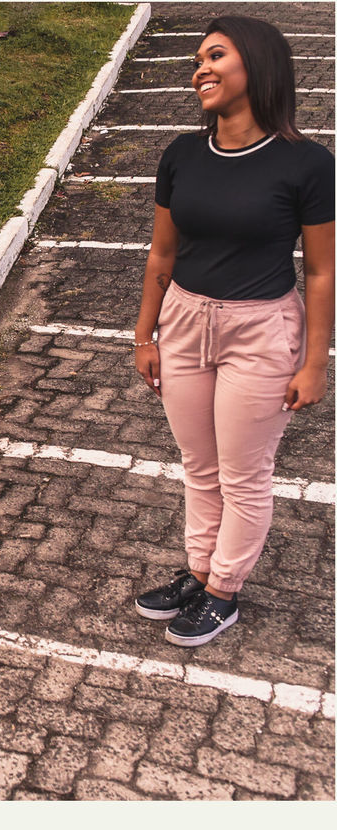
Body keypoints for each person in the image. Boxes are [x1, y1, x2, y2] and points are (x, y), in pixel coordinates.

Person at [131, 16, 334, 646]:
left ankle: (225, 590)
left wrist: (315, 363)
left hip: (261, 331)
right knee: (199, 464)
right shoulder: (182, 154)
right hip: (184, 323)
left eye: (215, 55)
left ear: (259, 65)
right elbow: (161, 256)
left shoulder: (307, 163)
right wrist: (145, 336)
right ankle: (199, 571)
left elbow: (323, 271)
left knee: (244, 472)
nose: (200, 68)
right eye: (197, 59)